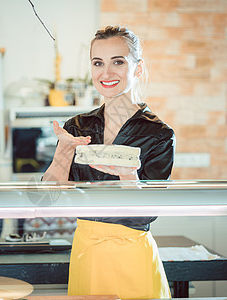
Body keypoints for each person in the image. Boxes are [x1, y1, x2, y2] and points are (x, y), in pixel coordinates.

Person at [43, 26, 175, 299]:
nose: (106, 73)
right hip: (86, 252)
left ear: (138, 68)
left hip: (133, 254)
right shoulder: (77, 127)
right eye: (98, 63)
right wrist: (62, 155)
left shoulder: (159, 134)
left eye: (118, 62)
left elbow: (147, 214)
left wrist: (129, 177)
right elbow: (47, 199)